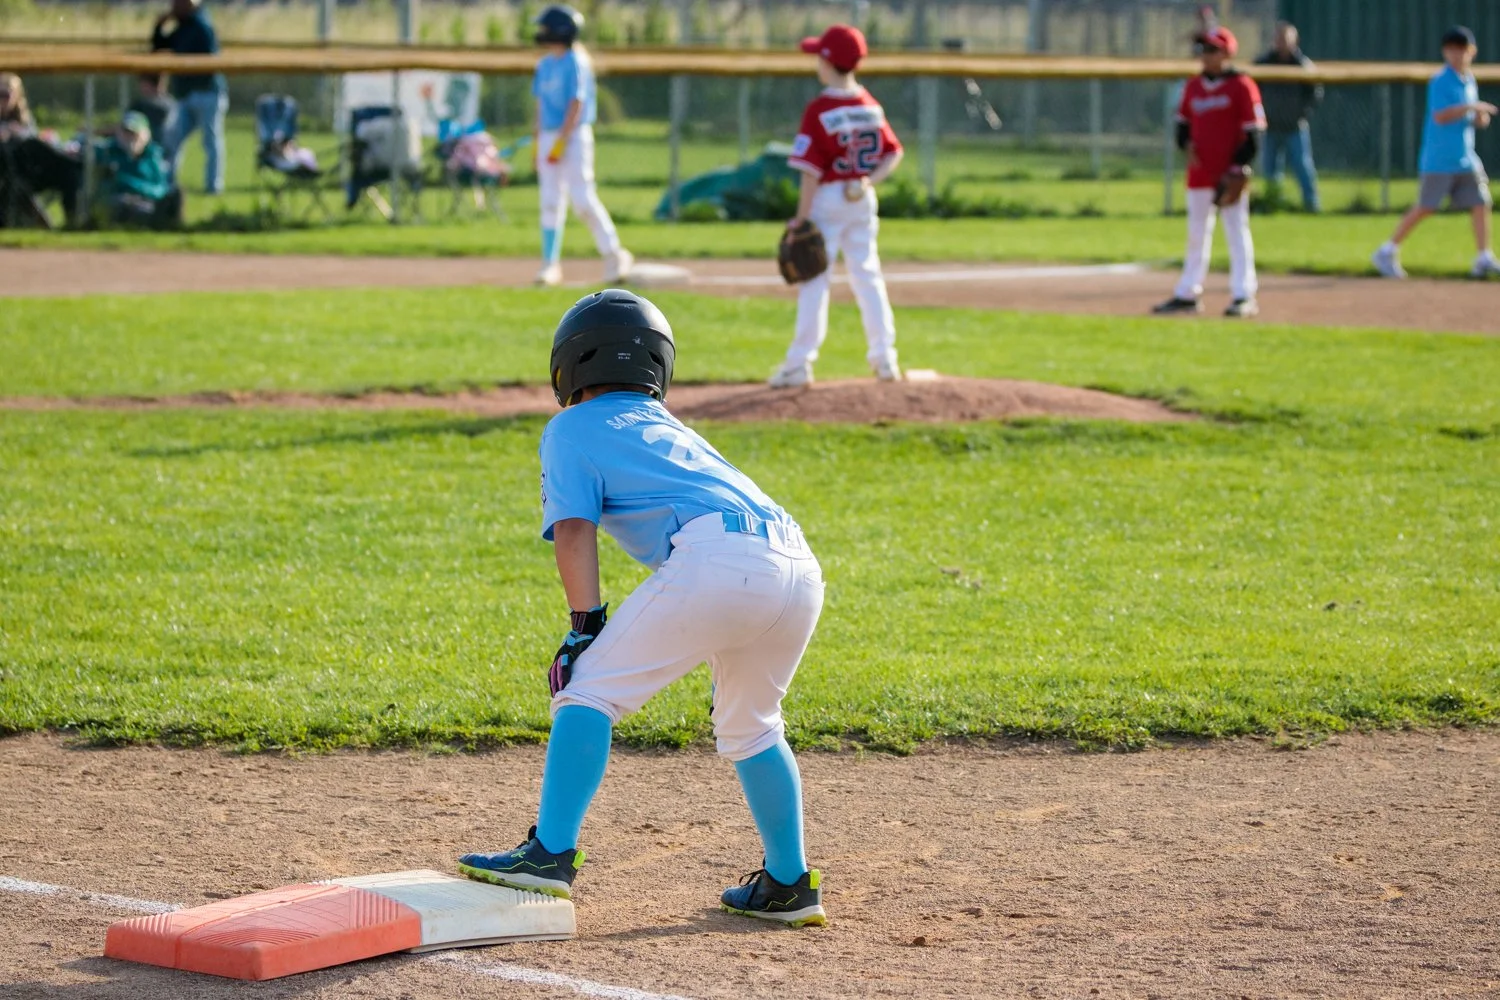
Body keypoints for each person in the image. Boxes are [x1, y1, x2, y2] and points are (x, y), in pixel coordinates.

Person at [457, 289, 828, 928]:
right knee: (752, 726)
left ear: (570, 364)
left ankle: (548, 855)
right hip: (797, 563)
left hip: (720, 559)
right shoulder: (672, 428)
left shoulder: (570, 426)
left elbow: (574, 529)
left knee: (588, 691)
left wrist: (585, 628)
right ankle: (789, 883)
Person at [769, 23, 903, 389]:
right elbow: (894, 153)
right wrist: (866, 182)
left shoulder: (820, 109)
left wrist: (800, 219)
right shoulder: (869, 105)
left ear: (827, 63)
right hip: (861, 199)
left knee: (814, 279)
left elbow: (810, 174)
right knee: (868, 275)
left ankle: (799, 363)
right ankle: (885, 357)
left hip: (827, 198)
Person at [1153, 25, 1266, 318]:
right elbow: (1182, 127)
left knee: (1237, 231)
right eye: (1202, 49)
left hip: (1229, 173)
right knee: (1196, 234)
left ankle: (1244, 294)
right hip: (1200, 173)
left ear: (1227, 52)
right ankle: (1188, 292)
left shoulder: (1241, 85)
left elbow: (1253, 134)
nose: (1205, 55)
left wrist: (1238, 168)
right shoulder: (1193, 86)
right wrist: (1185, 144)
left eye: (1212, 49)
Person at [1372, 26, 1500, 281]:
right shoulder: (1441, 80)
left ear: (1471, 52)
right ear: (1445, 52)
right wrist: (1470, 106)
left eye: (1461, 50)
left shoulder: (1469, 80)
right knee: (1426, 207)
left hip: (1465, 158)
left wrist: (1478, 118)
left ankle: (1483, 255)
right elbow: (1440, 116)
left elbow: (1466, 117)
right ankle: (1387, 250)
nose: (1456, 55)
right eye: (1451, 50)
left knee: (1481, 203)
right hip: (1439, 159)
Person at [530, 4, 633, 287]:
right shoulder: (544, 64)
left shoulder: (576, 61)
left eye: (547, 29)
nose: (541, 33)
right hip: (550, 136)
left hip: (573, 136)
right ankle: (550, 265)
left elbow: (576, 103)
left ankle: (615, 255)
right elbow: (539, 105)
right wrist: (539, 141)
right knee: (550, 201)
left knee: (582, 199)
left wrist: (562, 141)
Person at [151, 0, 227, 195]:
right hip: (186, 95)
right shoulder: (183, 27)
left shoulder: (202, 25)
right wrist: (159, 25)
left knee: (210, 140)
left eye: (179, 4)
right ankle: (167, 184)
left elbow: (209, 59)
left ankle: (213, 186)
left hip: (207, 93)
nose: (173, 8)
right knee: (173, 137)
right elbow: (159, 45)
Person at [1254, 21, 1322, 212]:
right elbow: (1251, 89)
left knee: (1303, 167)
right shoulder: (1264, 63)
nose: (1281, 42)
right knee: (1270, 169)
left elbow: (1315, 92)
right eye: (1278, 38)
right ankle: (1272, 203)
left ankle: (1312, 204)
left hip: (1295, 126)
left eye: (1285, 39)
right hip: (1270, 125)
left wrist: (1302, 113)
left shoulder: (1302, 64)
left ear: (1295, 41)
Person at [95, 111, 182, 229]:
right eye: (125, 132)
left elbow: (161, 188)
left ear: (145, 135)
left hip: (147, 203)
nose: (129, 137)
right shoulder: (106, 152)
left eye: (133, 133)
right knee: (120, 204)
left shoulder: (155, 156)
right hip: (117, 203)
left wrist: (129, 183)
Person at [128, 73, 178, 148]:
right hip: (171, 151)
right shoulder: (173, 104)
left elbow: (126, 129)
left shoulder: (143, 105)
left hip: (152, 153)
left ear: (146, 84)